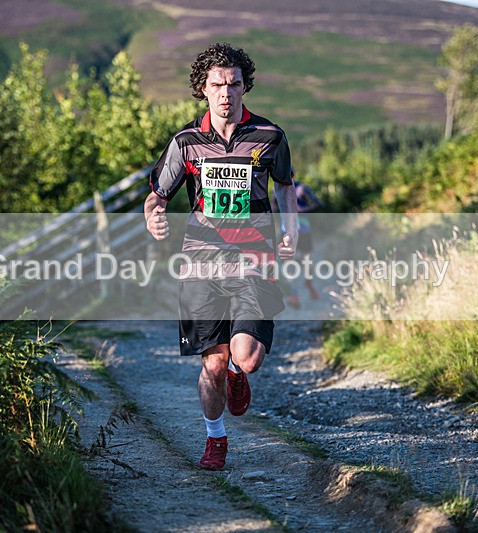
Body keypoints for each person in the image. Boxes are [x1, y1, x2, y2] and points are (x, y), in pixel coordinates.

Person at [144, 43, 298, 471]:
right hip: (201, 262)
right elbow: (156, 196)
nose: (226, 93)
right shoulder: (186, 142)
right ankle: (216, 439)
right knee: (211, 364)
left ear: (245, 86)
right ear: (203, 89)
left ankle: (238, 373)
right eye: (217, 85)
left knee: (246, 356)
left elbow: (286, 187)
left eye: (233, 84)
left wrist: (291, 231)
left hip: (254, 259)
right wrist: (153, 218)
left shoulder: (270, 137)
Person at [283, 173, 324, 309]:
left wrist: (303, 210)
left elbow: (319, 203)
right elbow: (273, 206)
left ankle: (309, 283)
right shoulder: (278, 189)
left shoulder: (302, 188)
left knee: (306, 260)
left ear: (292, 175)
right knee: (289, 263)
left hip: (303, 230)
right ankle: (294, 295)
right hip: (287, 231)